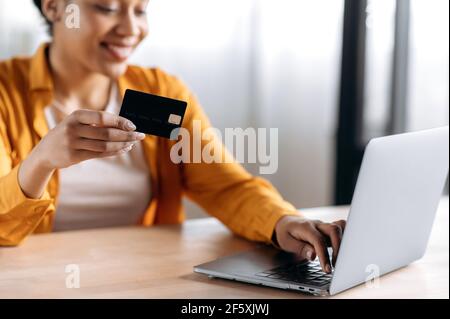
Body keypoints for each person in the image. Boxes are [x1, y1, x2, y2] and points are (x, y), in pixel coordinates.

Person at [0, 0, 345, 274]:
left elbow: (226, 186)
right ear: (53, 6)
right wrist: (42, 161)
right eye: (106, 8)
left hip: (139, 280)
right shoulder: (5, 93)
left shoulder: (159, 92)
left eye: (140, 10)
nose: (131, 29)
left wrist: (281, 221)